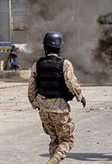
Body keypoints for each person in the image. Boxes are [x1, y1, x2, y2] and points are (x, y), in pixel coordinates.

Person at [28, 32, 86, 164]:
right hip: (59, 108)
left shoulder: (37, 64)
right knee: (67, 140)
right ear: (60, 48)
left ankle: (53, 159)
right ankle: (55, 159)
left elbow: (32, 86)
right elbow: (71, 83)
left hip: (43, 109)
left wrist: (34, 102)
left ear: (45, 47)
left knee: (54, 138)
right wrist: (80, 96)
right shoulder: (64, 64)